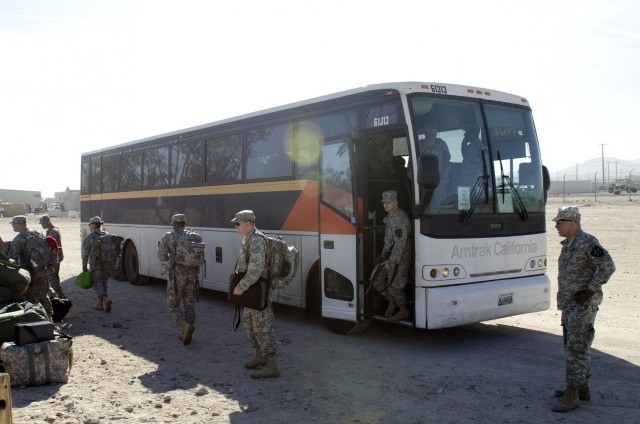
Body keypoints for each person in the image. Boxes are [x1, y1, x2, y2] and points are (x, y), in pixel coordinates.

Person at [551, 206, 616, 413]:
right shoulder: (568, 244)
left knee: (575, 350)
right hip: (570, 305)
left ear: (574, 223)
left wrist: (591, 289)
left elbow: (607, 266)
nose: (556, 225)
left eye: (560, 222)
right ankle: (582, 387)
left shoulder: (588, 242)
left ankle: (572, 395)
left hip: (583, 305)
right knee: (573, 345)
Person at [231, 210, 279, 379]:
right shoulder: (249, 239)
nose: (236, 227)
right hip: (252, 290)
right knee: (250, 325)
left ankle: (271, 365)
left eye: (237, 224)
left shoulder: (257, 240)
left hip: (258, 291)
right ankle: (260, 356)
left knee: (263, 328)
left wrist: (241, 287)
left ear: (248, 223)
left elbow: (256, 269)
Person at [157, 214, 199, 346]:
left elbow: (161, 255)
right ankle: (187, 331)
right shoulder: (195, 236)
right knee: (189, 302)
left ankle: (184, 325)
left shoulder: (169, 236)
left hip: (177, 274)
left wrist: (171, 259)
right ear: (185, 223)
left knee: (172, 304)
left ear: (174, 224)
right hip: (193, 273)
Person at [372, 191, 412, 321]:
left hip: (399, 258)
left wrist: (391, 261)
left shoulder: (399, 219)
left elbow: (400, 243)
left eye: (389, 202)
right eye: (384, 202)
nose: (386, 205)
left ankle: (404, 310)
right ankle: (392, 301)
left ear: (396, 203)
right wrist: (386, 220)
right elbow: (389, 222)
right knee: (376, 279)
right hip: (388, 256)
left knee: (394, 287)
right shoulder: (392, 216)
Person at [7, 215, 54, 320]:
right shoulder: (38, 234)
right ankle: (50, 320)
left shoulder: (19, 239)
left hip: (30, 274)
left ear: (19, 224)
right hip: (43, 270)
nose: (13, 226)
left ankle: (37, 322)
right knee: (44, 295)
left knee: (31, 298)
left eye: (13, 224)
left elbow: (12, 259)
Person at [81, 216, 113, 313]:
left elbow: (85, 253)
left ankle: (105, 300)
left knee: (97, 283)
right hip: (107, 263)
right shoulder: (107, 235)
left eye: (90, 224)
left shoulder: (90, 237)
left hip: (96, 264)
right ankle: (100, 305)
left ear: (94, 225)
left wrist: (84, 266)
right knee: (103, 283)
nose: (89, 226)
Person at [40, 214, 66, 298]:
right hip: (56, 257)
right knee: (54, 276)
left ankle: (60, 296)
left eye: (43, 223)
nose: (42, 225)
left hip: (54, 258)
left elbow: (53, 248)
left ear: (48, 221)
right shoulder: (52, 230)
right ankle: (58, 294)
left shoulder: (53, 231)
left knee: (52, 277)